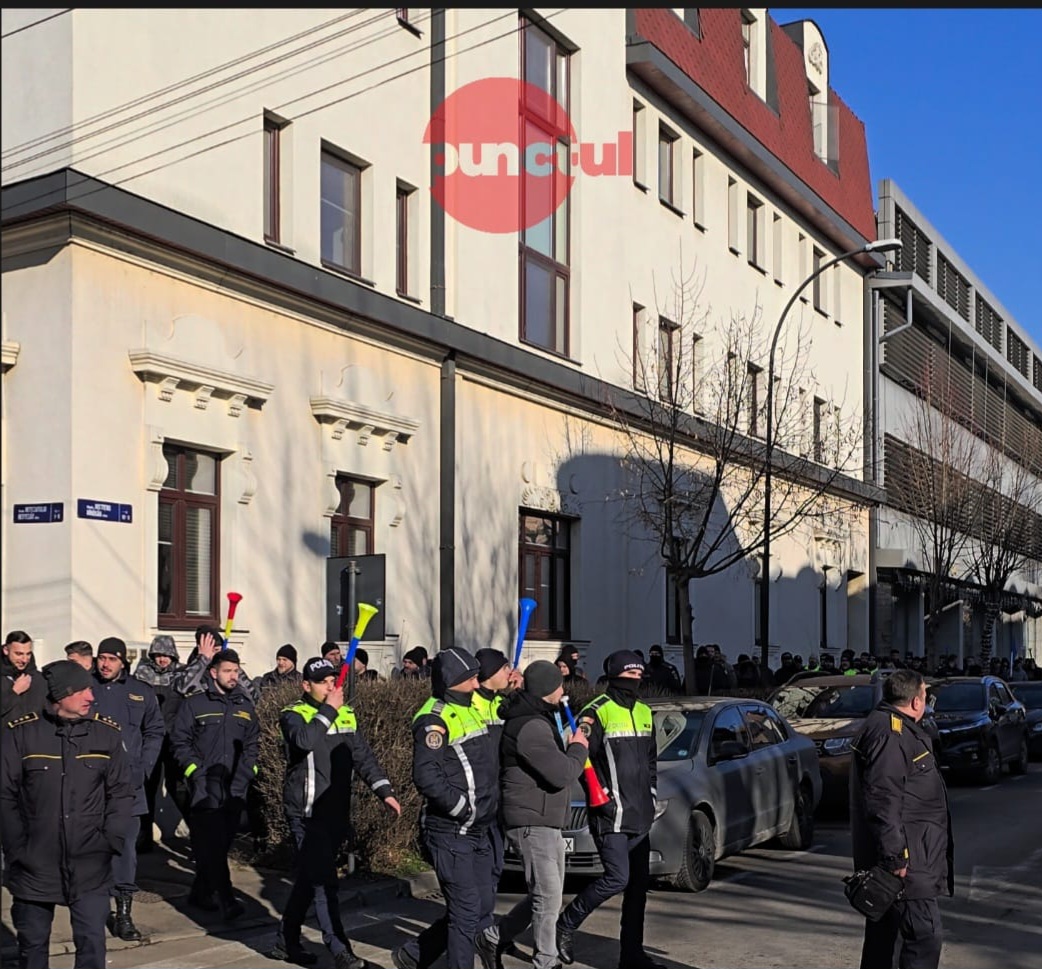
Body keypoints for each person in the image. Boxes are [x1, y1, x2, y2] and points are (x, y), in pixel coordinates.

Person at [1, 660, 135, 969]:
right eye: (83, 690)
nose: (91, 696)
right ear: (60, 695)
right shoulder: (23, 734)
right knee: (32, 946)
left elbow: (122, 793)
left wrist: (109, 841)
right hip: (34, 864)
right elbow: (4, 794)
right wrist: (17, 848)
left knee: (92, 944)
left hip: (90, 862)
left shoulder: (106, 734)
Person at [269, 657, 401, 969]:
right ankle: (340, 949)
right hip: (307, 812)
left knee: (309, 878)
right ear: (306, 686)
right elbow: (304, 742)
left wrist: (384, 790)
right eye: (322, 681)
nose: (330, 686)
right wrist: (328, 710)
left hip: (335, 812)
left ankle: (285, 941)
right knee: (325, 881)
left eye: (332, 680)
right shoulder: (293, 715)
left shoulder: (346, 715)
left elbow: (362, 757)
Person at [556, 650, 665, 969]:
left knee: (637, 891)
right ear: (615, 677)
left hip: (641, 814)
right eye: (629, 676)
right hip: (610, 814)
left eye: (638, 676)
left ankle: (632, 955)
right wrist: (599, 794)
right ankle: (566, 924)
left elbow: (651, 759)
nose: (635, 681)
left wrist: (653, 793)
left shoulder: (645, 711)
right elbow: (579, 757)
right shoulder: (596, 712)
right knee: (617, 878)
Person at [393, 648, 499, 969]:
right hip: (453, 831)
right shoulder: (434, 718)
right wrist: (463, 807)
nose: (476, 680)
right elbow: (426, 775)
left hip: (479, 827)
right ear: (455, 680)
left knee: (479, 907)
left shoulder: (472, 707)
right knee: (466, 911)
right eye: (470, 675)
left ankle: (414, 956)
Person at [481, 660, 589, 969]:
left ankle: (493, 936)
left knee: (546, 896)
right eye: (558, 684)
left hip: (545, 818)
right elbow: (561, 773)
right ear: (548, 689)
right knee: (548, 896)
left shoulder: (538, 719)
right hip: (531, 820)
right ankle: (546, 960)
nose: (563, 690)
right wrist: (579, 747)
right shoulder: (531, 726)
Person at [850, 669, 953, 969]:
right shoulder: (890, 733)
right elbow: (884, 798)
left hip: (909, 857)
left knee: (887, 943)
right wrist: (896, 857)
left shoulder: (895, 728)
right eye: (926, 695)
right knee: (922, 938)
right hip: (907, 863)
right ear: (916, 701)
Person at [170, 649, 259, 921]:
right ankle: (227, 898)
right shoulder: (194, 704)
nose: (234, 676)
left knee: (219, 846)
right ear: (213, 672)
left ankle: (200, 893)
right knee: (212, 845)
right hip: (204, 789)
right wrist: (195, 771)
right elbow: (179, 741)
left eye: (236, 671)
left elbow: (253, 745)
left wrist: (248, 772)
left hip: (235, 789)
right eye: (228, 671)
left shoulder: (245, 706)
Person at [91, 637, 165, 941]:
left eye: (111, 658)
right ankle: (91, 909)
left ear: (124, 661)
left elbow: (155, 731)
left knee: (125, 853)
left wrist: (144, 768)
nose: (105, 664)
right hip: (91, 786)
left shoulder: (140, 692)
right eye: (101, 658)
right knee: (90, 850)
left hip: (129, 786)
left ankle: (123, 913)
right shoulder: (87, 688)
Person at [134, 634, 188, 852]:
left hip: (174, 739)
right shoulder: (142, 673)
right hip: (150, 738)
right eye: (158, 655)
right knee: (148, 787)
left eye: (167, 655)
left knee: (180, 787)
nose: (163, 660)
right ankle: (144, 836)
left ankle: (198, 834)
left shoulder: (182, 674)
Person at [175, 624, 260, 702]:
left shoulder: (233, 670)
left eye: (217, 650)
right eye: (210, 650)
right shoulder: (188, 671)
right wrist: (202, 659)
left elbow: (253, 697)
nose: (214, 655)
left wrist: (231, 665)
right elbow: (183, 688)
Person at [2, 630, 47, 721]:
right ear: (6, 650)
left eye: (28, 654)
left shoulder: (39, 678)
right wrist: (14, 692)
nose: (25, 660)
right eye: (19, 654)